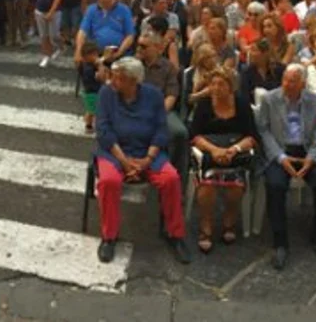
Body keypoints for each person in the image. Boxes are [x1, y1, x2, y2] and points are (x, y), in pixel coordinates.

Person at [93, 57, 190, 265]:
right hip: (115, 152)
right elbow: (104, 131)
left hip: (148, 152)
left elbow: (160, 129)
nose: (113, 82)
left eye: (118, 78)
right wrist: (125, 162)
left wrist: (147, 159)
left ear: (133, 80)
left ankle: (175, 234)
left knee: (171, 179)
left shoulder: (153, 95)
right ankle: (109, 236)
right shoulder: (106, 94)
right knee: (109, 181)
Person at [256, 64, 316, 270]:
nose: (287, 85)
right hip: (280, 150)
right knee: (275, 185)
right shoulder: (270, 99)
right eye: (285, 80)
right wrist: (281, 158)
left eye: (292, 81)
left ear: (302, 83)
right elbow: (263, 131)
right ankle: (280, 242)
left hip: (306, 149)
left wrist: (312, 157)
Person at [190, 67, 256, 253]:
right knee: (207, 186)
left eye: (221, 84)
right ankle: (206, 226)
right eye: (213, 84)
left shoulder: (242, 104)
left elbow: (251, 136)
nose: (216, 88)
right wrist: (215, 150)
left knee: (235, 186)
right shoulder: (204, 104)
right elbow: (194, 135)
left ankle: (229, 221)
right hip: (208, 153)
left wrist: (233, 150)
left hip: (234, 152)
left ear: (231, 87)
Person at [137, 32, 187, 196]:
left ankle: (176, 180)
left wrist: (159, 113)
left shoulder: (168, 68)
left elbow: (172, 94)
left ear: (158, 48)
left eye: (144, 46)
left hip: (160, 110)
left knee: (180, 133)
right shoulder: (133, 65)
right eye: (138, 45)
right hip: (135, 110)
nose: (139, 49)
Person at [75, 0, 136, 66]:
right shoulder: (91, 10)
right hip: (96, 53)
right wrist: (78, 51)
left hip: (118, 52)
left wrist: (119, 53)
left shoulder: (124, 10)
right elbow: (82, 31)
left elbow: (130, 35)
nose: (104, 0)